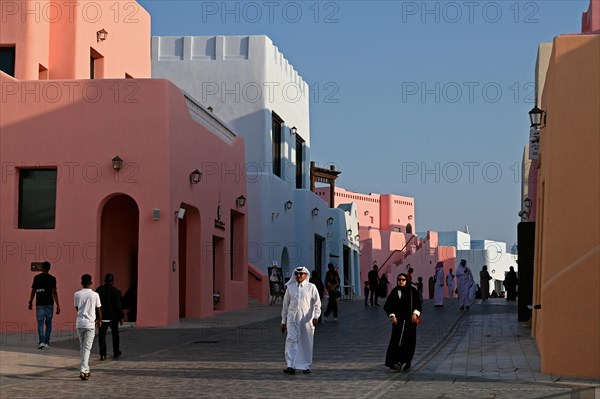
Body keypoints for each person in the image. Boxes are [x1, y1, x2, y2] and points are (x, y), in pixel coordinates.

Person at [281, 266, 321, 375]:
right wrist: (283, 321)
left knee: (306, 342)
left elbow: (317, 304)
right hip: (292, 319)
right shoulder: (290, 288)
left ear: (306, 275)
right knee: (291, 340)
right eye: (297, 274)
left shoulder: (311, 287)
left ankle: (306, 366)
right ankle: (290, 365)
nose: (299, 276)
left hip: (307, 320)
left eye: (301, 274)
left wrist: (316, 317)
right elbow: (285, 306)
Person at [383, 273, 422, 372]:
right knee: (396, 341)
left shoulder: (412, 291)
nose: (401, 281)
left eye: (403, 279)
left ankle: (404, 361)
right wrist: (392, 315)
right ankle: (394, 362)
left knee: (408, 342)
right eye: (399, 279)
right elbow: (388, 305)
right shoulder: (395, 291)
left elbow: (418, 304)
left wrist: (415, 313)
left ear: (406, 280)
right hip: (398, 321)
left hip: (409, 321)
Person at [74, 274, 102, 381]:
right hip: (90, 324)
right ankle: (83, 370)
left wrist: (82, 314)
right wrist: (99, 320)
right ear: (91, 283)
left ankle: (86, 370)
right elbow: (99, 309)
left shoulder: (76, 294)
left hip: (80, 323)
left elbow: (77, 307)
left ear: (81, 283)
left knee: (83, 347)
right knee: (87, 348)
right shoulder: (95, 295)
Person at [28, 261, 61, 349]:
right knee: (49, 323)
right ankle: (47, 341)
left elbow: (33, 291)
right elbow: (54, 292)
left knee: (40, 323)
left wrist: (30, 302)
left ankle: (41, 341)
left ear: (42, 268)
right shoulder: (52, 278)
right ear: (49, 268)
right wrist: (58, 305)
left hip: (39, 304)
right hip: (49, 304)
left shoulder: (37, 278)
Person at [96, 273, 124, 360]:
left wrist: (97, 317)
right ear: (112, 281)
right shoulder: (116, 291)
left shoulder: (99, 290)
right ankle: (116, 352)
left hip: (102, 317)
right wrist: (120, 317)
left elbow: (96, 305)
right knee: (115, 334)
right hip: (113, 317)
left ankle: (103, 354)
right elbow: (118, 306)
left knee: (102, 335)